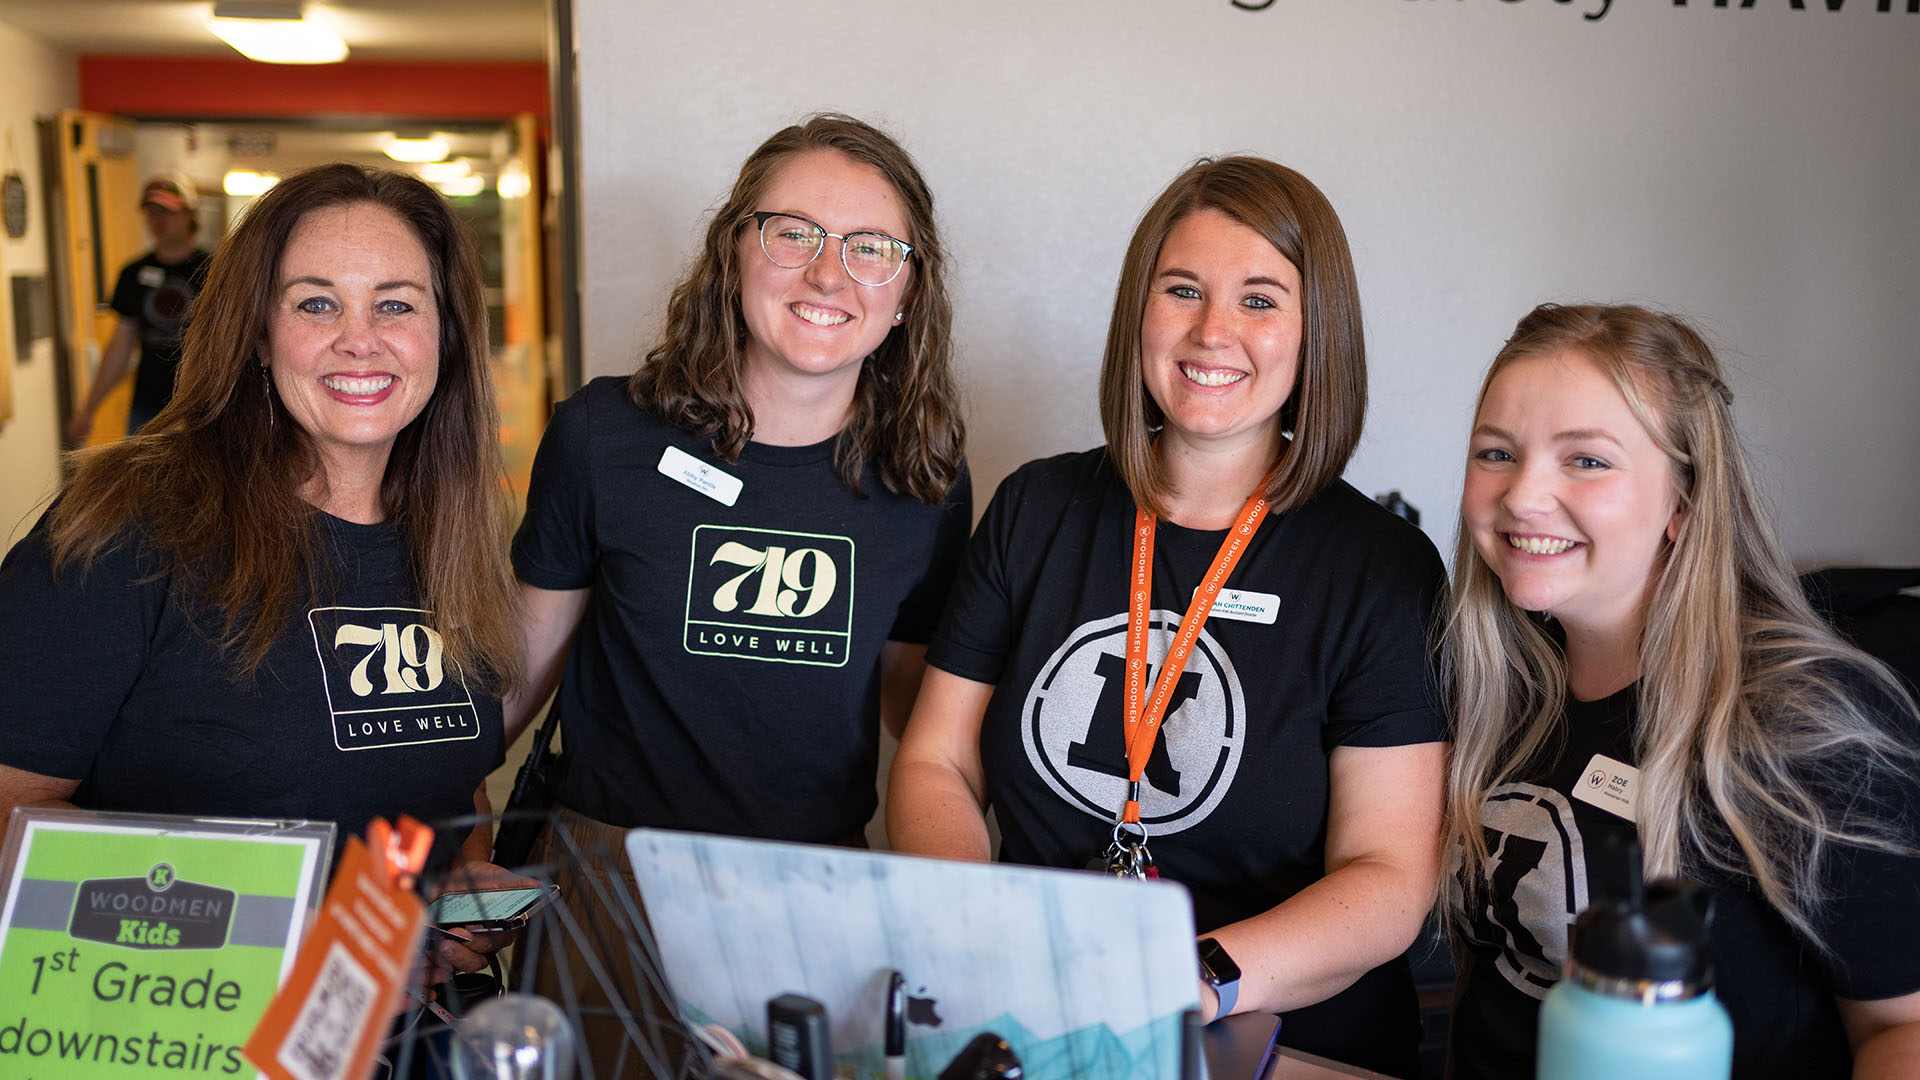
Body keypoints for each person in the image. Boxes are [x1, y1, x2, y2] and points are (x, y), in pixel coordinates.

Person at [888, 156, 1446, 1076]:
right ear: (1138, 313)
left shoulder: (1382, 568)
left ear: (1318, 332)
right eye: (1183, 289)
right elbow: (936, 760)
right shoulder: (1035, 509)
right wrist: (984, 935)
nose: (1213, 331)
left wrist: (1190, 981)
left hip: (1281, 1043)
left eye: (1260, 300)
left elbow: (1389, 878)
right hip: (1040, 1025)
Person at [507, 114, 969, 1075]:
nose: (828, 273)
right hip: (609, 884)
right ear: (734, 252)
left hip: (815, 897)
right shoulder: (603, 436)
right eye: (792, 232)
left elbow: (923, 720)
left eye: (870, 247)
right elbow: (517, 675)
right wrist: (442, 826)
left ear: (907, 292)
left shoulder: (924, 478)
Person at [0, 163, 523, 980]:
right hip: (185, 1025)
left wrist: (455, 902)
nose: (360, 338)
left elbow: (458, 794)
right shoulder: (126, 528)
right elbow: (12, 811)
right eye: (316, 303)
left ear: (446, 335)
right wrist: (285, 942)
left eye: (396, 304)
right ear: (256, 333)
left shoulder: (457, 537)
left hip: (401, 1026)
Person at [1443, 303, 1920, 1078]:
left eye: (1586, 460)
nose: (1523, 495)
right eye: (1496, 452)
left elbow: (1903, 1029)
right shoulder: (1501, 683)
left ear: (1684, 502)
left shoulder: (1802, 722)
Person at [66, 172, 214, 442]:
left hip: (202, 407)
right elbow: (120, 347)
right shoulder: (133, 274)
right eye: (151, 211)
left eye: (167, 210)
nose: (158, 219)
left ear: (189, 214)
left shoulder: (214, 270)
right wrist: (88, 409)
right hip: (148, 408)